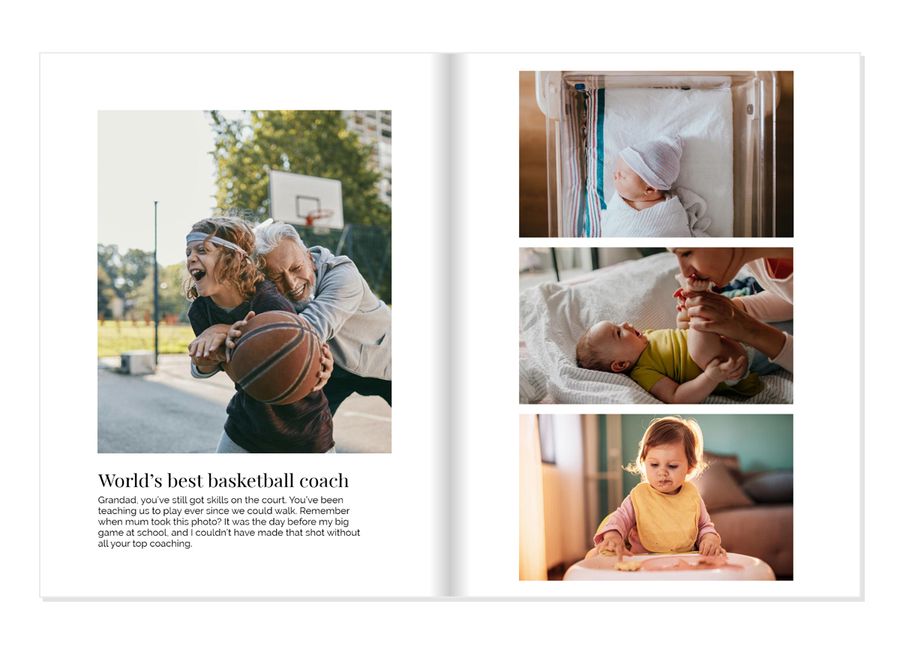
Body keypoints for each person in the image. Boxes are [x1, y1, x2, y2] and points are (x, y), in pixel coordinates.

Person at [184, 216, 333, 453]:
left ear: (232, 258)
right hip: (246, 427)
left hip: (304, 430)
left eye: (202, 250)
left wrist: (228, 332)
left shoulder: (269, 301)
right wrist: (204, 361)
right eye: (188, 252)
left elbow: (303, 351)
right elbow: (232, 371)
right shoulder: (201, 311)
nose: (191, 257)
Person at [242, 220, 392, 416]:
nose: (291, 283)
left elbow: (306, 332)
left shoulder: (344, 276)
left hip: (383, 356)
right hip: (333, 370)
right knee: (306, 432)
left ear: (310, 258)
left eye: (296, 268)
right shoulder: (265, 292)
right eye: (277, 277)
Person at [590, 417, 724, 560]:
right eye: (654, 464)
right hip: (643, 562)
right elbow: (620, 518)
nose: (662, 472)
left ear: (689, 467)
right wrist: (613, 536)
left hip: (684, 562)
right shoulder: (639, 496)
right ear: (644, 463)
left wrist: (709, 538)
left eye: (672, 466)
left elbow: (704, 526)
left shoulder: (692, 496)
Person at [575, 313, 759, 403]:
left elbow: (681, 336)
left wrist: (683, 317)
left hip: (734, 340)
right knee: (701, 320)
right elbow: (676, 397)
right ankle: (696, 294)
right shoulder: (643, 372)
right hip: (726, 366)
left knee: (693, 319)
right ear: (621, 364)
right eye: (618, 332)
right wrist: (710, 377)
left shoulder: (647, 336)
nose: (624, 324)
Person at [672, 248, 793, 373]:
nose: (685, 272)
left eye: (687, 253)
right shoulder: (754, 256)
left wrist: (750, 329)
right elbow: (790, 295)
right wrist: (737, 308)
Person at [602, 135, 709, 237]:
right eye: (617, 171)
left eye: (623, 176)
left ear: (649, 189)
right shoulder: (618, 202)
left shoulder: (671, 214)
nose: (615, 175)